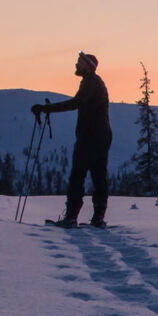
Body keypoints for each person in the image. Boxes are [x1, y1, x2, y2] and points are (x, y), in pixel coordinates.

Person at [33, 52, 112, 228]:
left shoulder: (90, 82)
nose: (76, 65)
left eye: (79, 62)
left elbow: (76, 103)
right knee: (99, 177)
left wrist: (47, 109)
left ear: (87, 65)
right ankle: (98, 218)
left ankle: (71, 217)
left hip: (89, 137)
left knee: (78, 176)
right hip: (102, 136)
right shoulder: (96, 82)